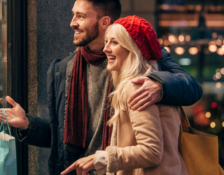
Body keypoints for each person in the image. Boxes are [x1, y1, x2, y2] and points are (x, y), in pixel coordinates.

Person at [0, 0, 202, 174]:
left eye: (80, 16)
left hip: (124, 169)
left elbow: (191, 86)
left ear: (104, 22)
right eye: (73, 15)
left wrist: (159, 84)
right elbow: (62, 140)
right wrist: (28, 124)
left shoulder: (143, 58)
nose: (72, 23)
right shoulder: (62, 69)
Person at [61, 16, 189, 175]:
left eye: (114, 42)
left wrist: (100, 159)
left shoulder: (137, 87)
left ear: (133, 49)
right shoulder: (154, 83)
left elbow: (151, 151)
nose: (106, 49)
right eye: (106, 41)